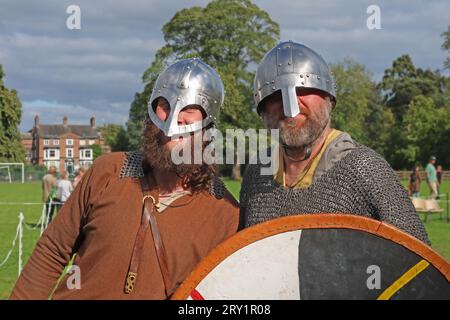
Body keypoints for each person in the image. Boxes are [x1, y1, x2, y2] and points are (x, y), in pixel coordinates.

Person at [10, 58, 239, 299]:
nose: (175, 119)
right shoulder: (109, 171)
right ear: (152, 110)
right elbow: (52, 252)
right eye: (165, 106)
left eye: (189, 109)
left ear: (208, 124)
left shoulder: (225, 212)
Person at [239, 41, 429, 245]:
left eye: (302, 89)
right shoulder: (258, 171)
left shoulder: (365, 169)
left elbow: (418, 265)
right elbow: (241, 258)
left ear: (329, 98)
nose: (290, 106)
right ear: (263, 109)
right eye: (276, 95)